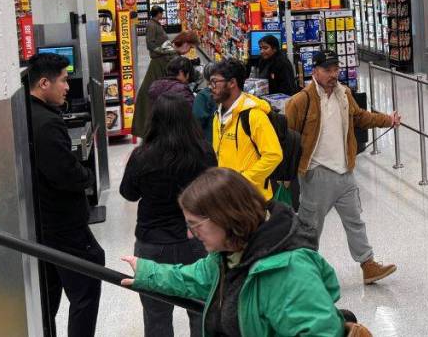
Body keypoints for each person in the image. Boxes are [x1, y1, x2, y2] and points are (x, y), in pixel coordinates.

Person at [121, 168, 348, 336]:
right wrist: (147, 272)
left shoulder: (289, 271)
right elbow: (197, 277)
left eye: (195, 224)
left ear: (225, 217)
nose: (190, 234)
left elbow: (320, 331)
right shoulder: (230, 253)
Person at [285, 50, 401, 285]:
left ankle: (368, 265)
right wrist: (287, 175)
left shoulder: (344, 94)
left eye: (336, 69)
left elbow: (359, 118)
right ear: (314, 71)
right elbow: (289, 139)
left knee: (355, 221)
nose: (333, 74)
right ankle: (304, 271)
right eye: (327, 70)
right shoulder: (300, 101)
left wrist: (386, 120)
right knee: (310, 227)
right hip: (316, 174)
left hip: (345, 172)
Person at [120, 92, 217, 337]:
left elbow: (129, 193)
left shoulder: (142, 156)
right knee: (201, 310)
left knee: (156, 316)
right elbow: (214, 193)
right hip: (196, 240)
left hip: (153, 243)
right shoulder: (204, 152)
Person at [27, 52, 103, 337]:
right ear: (44, 83)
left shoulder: (26, 112)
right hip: (64, 225)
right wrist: (86, 176)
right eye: (63, 80)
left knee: (49, 297)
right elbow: (65, 174)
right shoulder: (48, 123)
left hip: (44, 223)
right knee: (85, 291)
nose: (68, 86)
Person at [208, 58, 283, 200]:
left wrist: (243, 180)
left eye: (214, 82)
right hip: (228, 194)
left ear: (232, 83)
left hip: (251, 198)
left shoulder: (254, 115)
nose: (210, 87)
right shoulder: (218, 115)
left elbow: (274, 155)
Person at [133, 31, 199, 138]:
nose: (189, 51)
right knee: (156, 135)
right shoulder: (171, 57)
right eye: (190, 48)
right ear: (185, 43)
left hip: (150, 93)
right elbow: (178, 79)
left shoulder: (165, 49)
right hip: (155, 99)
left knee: (150, 135)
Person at [193, 62, 219, 135]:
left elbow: (197, 121)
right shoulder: (225, 92)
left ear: (204, 76)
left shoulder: (202, 96)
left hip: (208, 139)